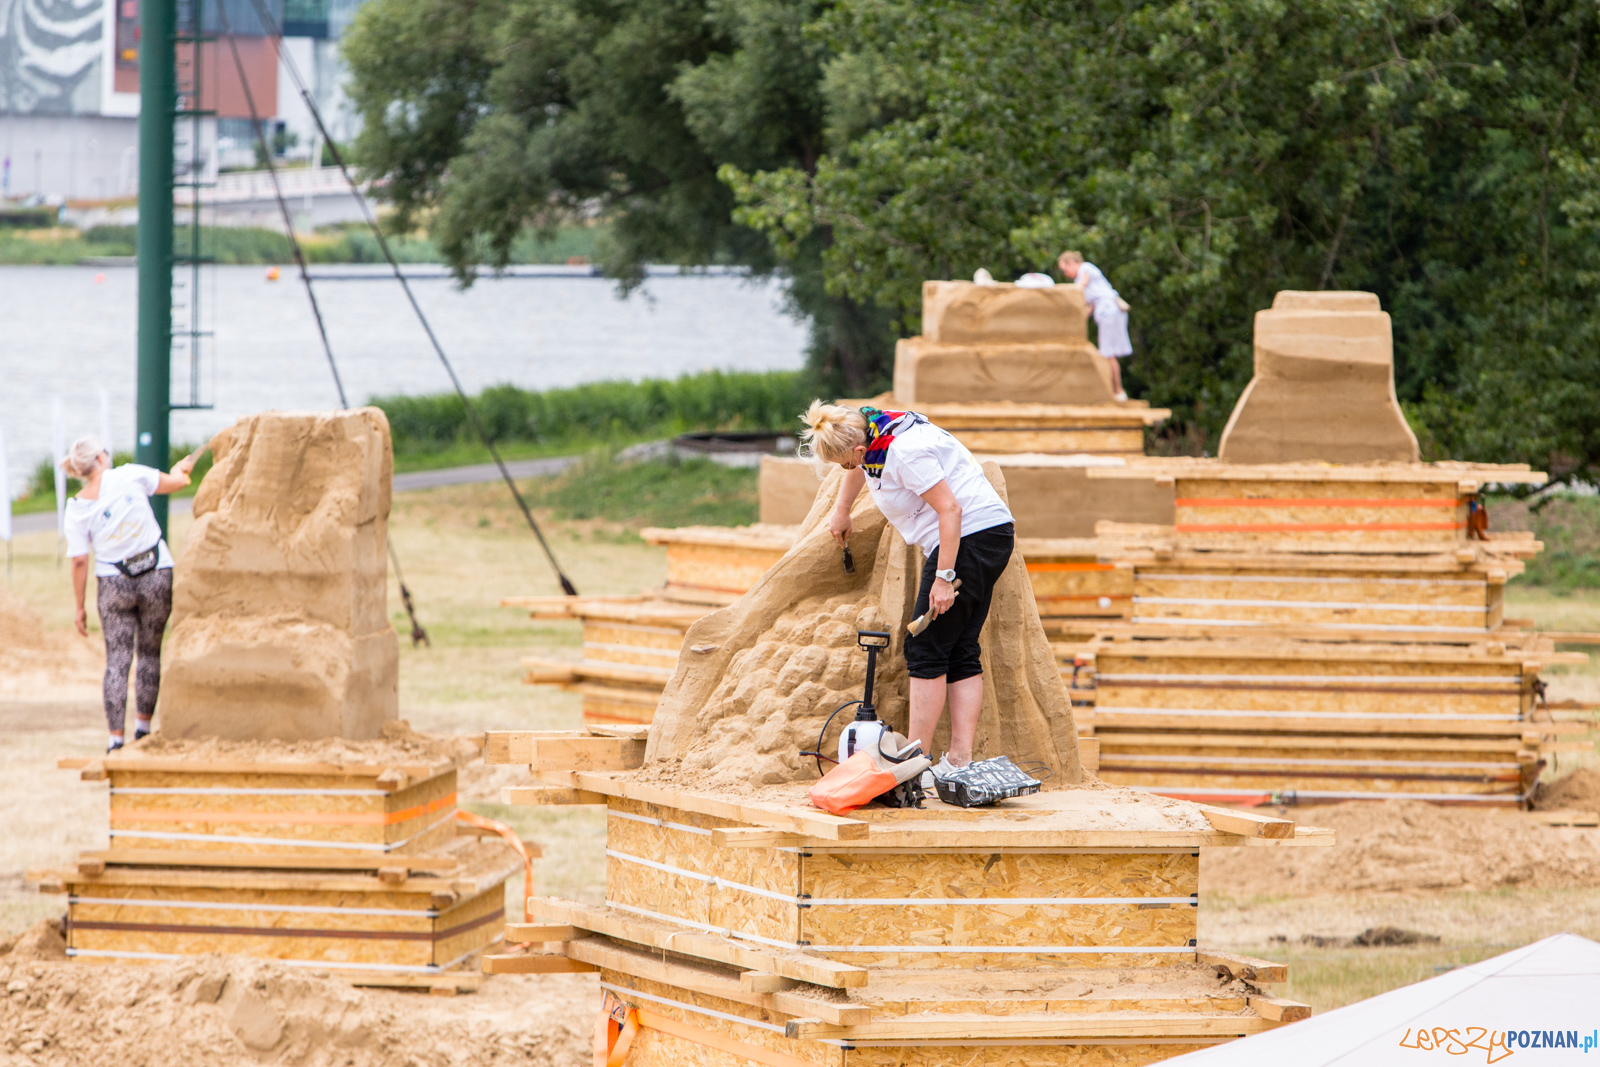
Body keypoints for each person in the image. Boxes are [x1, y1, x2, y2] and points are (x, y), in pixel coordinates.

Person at [799, 402, 1016, 786]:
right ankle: (959, 762)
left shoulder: (904, 453)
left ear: (859, 450)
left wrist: (944, 579)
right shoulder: (876, 429)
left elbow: (951, 510)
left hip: (970, 539)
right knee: (959, 647)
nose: (847, 470)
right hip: (985, 535)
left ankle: (916, 765)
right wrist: (842, 509)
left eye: (845, 464)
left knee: (925, 646)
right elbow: (861, 468)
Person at [62, 437, 197, 752]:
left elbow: (80, 560)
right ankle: (143, 731)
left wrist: (79, 607)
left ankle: (115, 740)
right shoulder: (128, 474)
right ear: (100, 458)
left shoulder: (76, 507)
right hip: (155, 572)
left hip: (114, 582)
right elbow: (175, 483)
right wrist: (181, 470)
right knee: (149, 653)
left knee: (117, 661)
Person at [1057, 250, 1132, 401]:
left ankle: (1118, 392)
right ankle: (1116, 391)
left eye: (1065, 270)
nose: (1066, 274)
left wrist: (1059, 293)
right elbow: (1089, 307)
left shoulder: (1085, 269)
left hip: (1109, 312)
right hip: (1109, 312)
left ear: (1071, 263)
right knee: (1108, 354)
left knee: (1108, 353)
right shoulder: (1090, 282)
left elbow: (1081, 285)